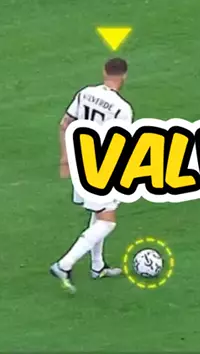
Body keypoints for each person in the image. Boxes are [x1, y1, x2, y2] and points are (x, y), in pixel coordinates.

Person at [49, 57, 134, 294]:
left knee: (100, 213)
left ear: (104, 71)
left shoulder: (85, 93)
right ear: (124, 76)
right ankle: (64, 265)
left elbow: (64, 124)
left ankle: (98, 266)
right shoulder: (122, 109)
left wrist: (65, 158)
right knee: (107, 221)